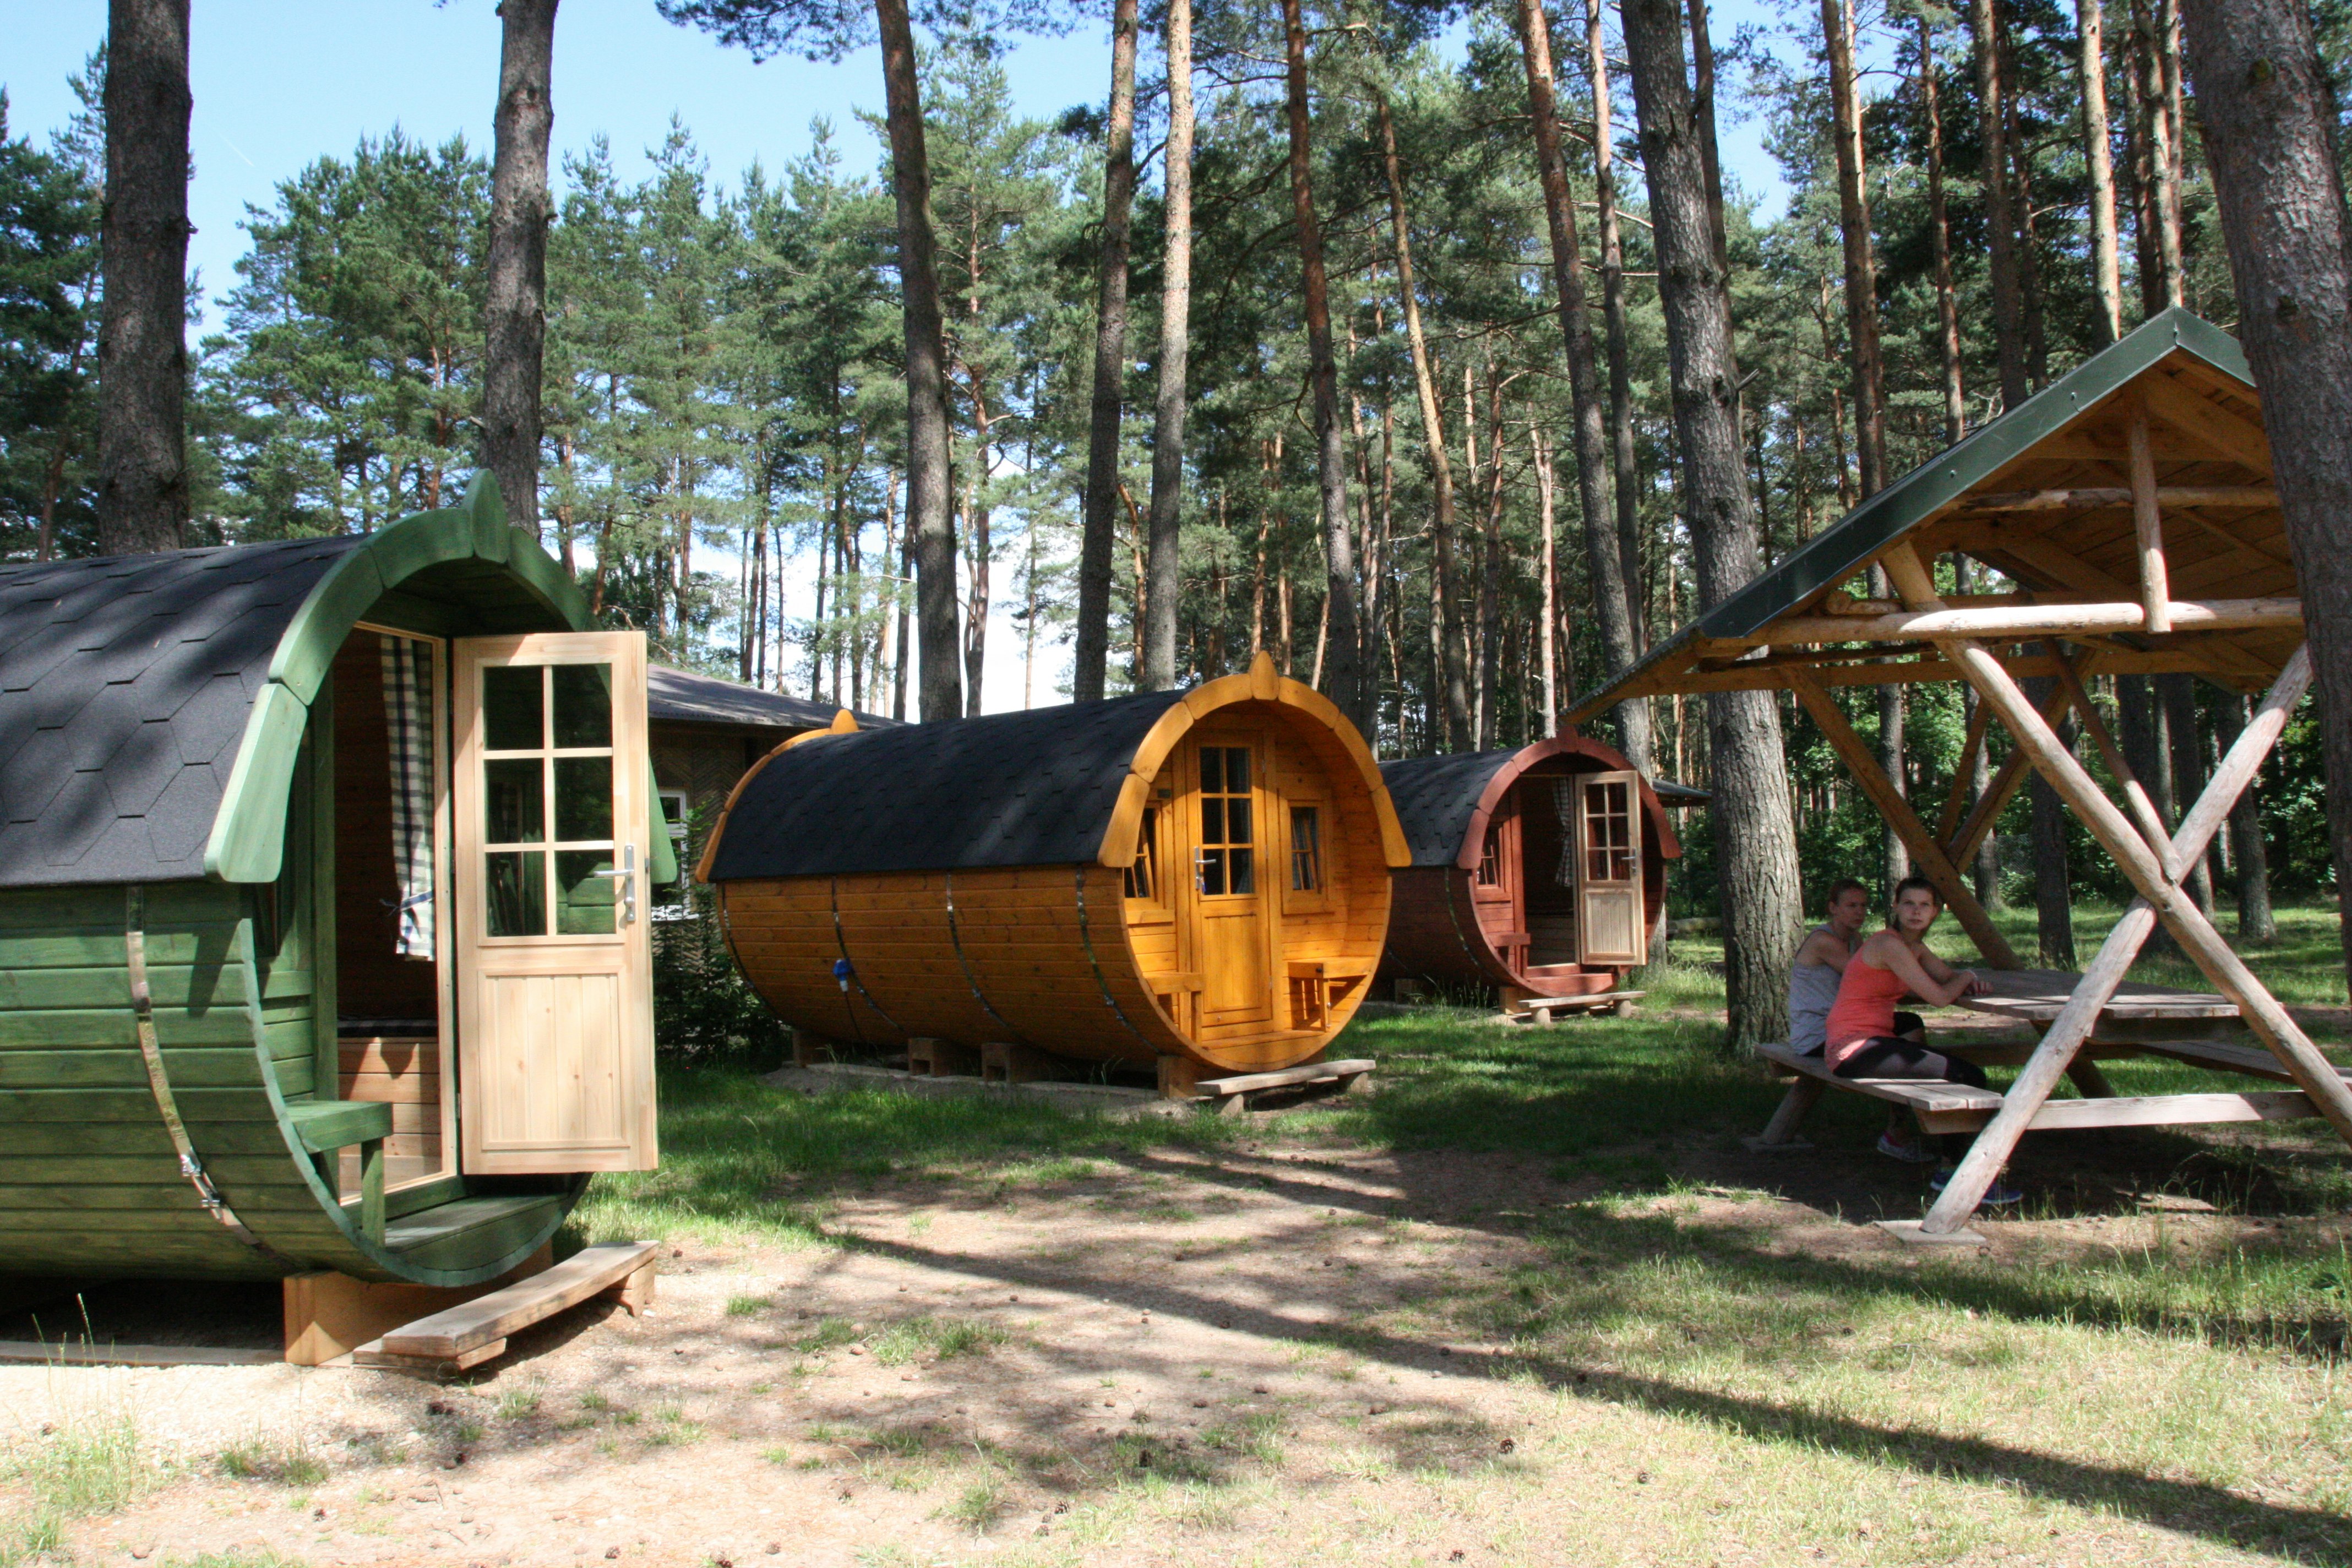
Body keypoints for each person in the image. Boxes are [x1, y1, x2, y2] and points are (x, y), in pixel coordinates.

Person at [1823, 874, 2020, 1206]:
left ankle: (1950, 1165)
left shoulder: (1913, 947)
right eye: (1909, 904)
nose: (1916, 911)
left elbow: (1946, 977)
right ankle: (1954, 1173)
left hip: (1874, 1041)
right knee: (1969, 1076)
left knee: (1955, 1070)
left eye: (1924, 905)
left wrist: (1965, 981)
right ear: (1897, 907)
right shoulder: (1889, 945)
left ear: (1936, 912)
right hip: (1852, 1049)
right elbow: (1941, 997)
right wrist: (1969, 977)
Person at [1791, 879, 1928, 1163]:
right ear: (1833, 908)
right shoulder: (1823, 941)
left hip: (1849, 1027)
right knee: (1897, 1042)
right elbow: (1866, 980)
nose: (1859, 912)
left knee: (1910, 1024)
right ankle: (1900, 1127)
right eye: (1851, 906)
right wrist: (1927, 984)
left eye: (1864, 905)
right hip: (1818, 1035)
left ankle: (1899, 1122)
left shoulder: (1856, 941)